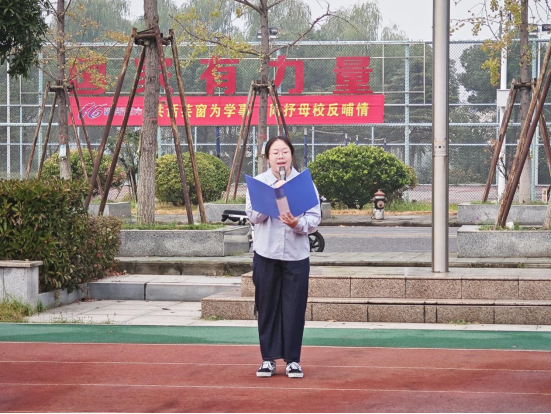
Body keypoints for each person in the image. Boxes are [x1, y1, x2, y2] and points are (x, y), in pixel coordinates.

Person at [246, 136, 322, 379]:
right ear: (267, 157)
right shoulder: (259, 183)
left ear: (291, 155)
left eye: (285, 152)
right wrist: (268, 200)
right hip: (266, 253)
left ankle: (293, 360)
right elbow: (252, 216)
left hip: (296, 255)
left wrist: (296, 223)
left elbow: (315, 219)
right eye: (275, 153)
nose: (281, 157)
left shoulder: (304, 183)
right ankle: (268, 359)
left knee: (294, 307)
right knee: (266, 305)